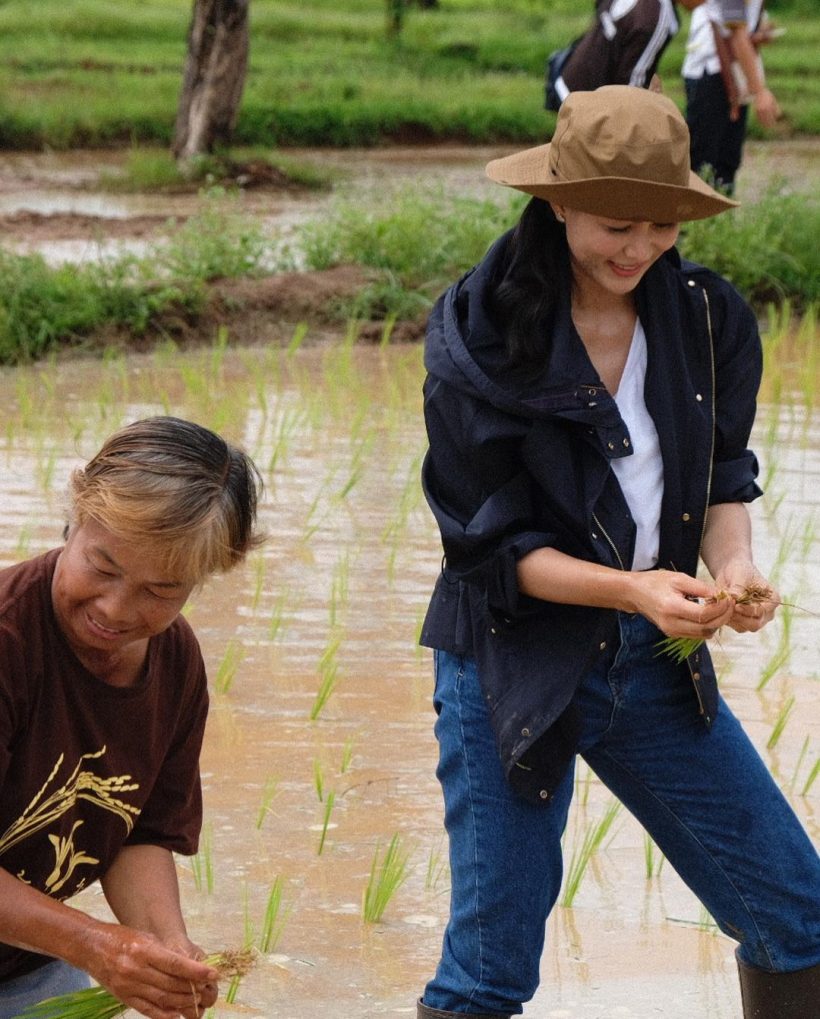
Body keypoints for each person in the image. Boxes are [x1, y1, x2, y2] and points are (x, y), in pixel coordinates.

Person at [417, 85, 819, 1018]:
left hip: (650, 661)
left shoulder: (710, 321)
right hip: (512, 660)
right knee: (490, 973)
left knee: (797, 920)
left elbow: (723, 479)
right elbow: (492, 552)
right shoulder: (481, 335)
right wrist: (633, 588)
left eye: (660, 226)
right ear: (557, 203)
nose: (636, 249)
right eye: (612, 225)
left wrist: (736, 569)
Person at [0, 416, 264, 1019]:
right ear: (76, 510)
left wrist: (166, 949)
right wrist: (97, 945)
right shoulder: (8, 641)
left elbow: (135, 830)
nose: (116, 610)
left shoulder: (174, 663)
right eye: (104, 566)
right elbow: (93, 945)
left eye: (161, 590)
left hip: (25, 963)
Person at [683, 0, 781, 193]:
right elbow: (737, 34)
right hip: (710, 71)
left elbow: (739, 27)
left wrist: (758, 33)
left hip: (735, 75)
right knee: (703, 163)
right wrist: (760, 92)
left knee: (728, 161)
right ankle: (694, 221)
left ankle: (720, 219)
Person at [546, 0, 704, 111]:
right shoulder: (658, 18)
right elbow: (632, 84)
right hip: (590, 104)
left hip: (569, 78)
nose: (707, 3)